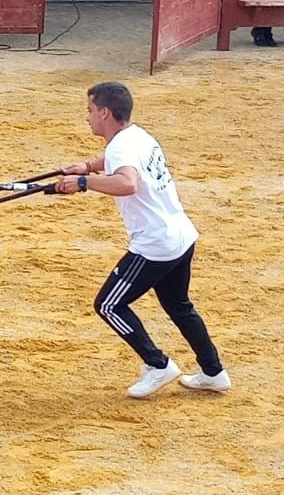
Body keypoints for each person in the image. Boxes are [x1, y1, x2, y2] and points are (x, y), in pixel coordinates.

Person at [55, 81, 229, 399]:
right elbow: (119, 161)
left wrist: (83, 181)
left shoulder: (121, 147)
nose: (87, 117)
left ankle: (157, 364)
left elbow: (126, 182)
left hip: (154, 245)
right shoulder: (136, 136)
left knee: (109, 305)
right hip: (180, 234)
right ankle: (213, 372)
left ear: (105, 112)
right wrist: (88, 165)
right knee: (179, 305)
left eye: (90, 110)